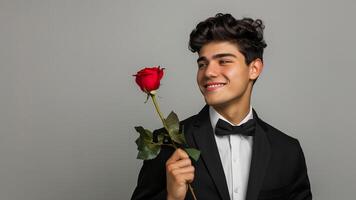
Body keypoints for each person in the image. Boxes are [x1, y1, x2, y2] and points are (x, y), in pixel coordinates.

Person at [131, 13, 312, 200]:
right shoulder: (165, 143)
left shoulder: (288, 151)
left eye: (224, 61)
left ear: (254, 69)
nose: (208, 72)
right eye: (202, 64)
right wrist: (172, 198)